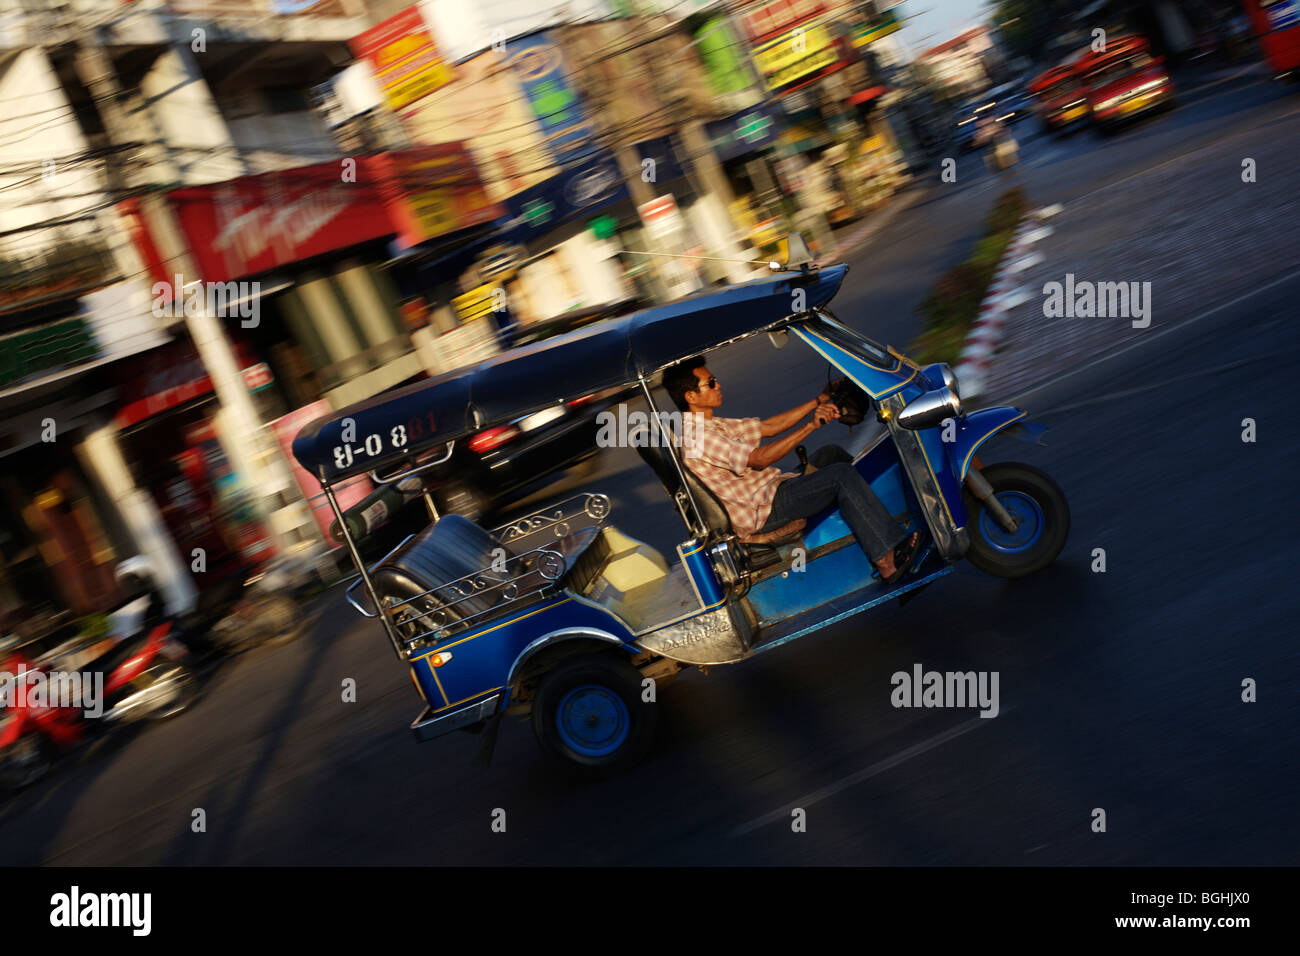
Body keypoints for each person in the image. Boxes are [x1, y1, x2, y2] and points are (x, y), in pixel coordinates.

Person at [663, 358, 921, 584]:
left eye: (715, 380)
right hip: (763, 510)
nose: (718, 385)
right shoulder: (699, 437)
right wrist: (812, 425)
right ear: (691, 397)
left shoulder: (709, 423)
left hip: (769, 491)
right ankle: (886, 559)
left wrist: (818, 400)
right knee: (840, 475)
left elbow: (769, 427)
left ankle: (880, 524)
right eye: (710, 383)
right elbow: (760, 459)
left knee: (831, 454)